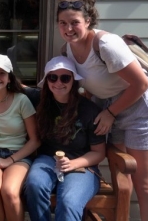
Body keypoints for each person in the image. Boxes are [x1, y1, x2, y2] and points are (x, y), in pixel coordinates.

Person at [56, 0, 148, 221]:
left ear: (88, 21)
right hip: (109, 108)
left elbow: (141, 84)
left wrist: (109, 113)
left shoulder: (105, 44)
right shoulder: (68, 49)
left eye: (75, 22)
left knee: (146, 186)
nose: (69, 29)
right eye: (63, 23)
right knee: (122, 180)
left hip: (142, 109)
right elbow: (90, 85)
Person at [24, 56, 106, 220]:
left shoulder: (89, 110)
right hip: (47, 159)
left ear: (74, 81)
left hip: (82, 164)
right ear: (47, 80)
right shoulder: (40, 100)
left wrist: (73, 164)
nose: (58, 82)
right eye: (53, 77)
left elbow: (99, 153)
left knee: (69, 201)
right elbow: (10, 86)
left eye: (65, 78)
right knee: (34, 185)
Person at [0, 54, 39, 221]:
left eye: (1, 73)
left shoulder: (21, 101)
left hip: (18, 155)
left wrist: (10, 160)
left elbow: (35, 140)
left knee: (10, 191)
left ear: (10, 77)